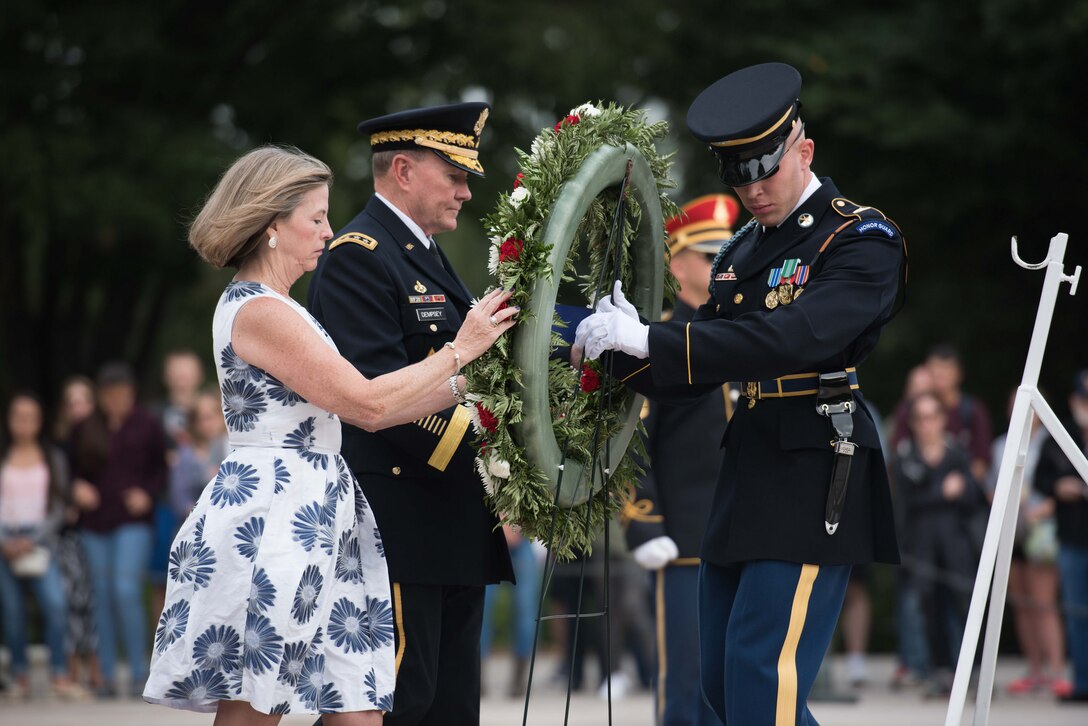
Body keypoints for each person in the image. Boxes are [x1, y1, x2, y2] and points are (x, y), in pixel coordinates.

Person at [574, 62, 907, 723]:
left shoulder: (859, 238)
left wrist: (653, 341)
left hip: (815, 467)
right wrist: (607, 354)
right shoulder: (739, 253)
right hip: (747, 470)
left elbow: (792, 337)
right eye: (737, 174)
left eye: (767, 169)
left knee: (762, 682)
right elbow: (695, 368)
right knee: (723, 689)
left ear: (803, 151)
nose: (752, 190)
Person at [141, 145, 515, 723]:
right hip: (275, 516)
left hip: (320, 511)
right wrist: (461, 350)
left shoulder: (285, 307)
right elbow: (364, 401)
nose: (328, 230)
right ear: (271, 226)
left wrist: (493, 389)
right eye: (315, 218)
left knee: (359, 705)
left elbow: (382, 407)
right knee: (255, 706)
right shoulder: (259, 310)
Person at [307, 103, 515, 725]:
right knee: (392, 707)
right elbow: (373, 392)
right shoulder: (359, 255)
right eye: (453, 174)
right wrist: (490, 445)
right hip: (399, 528)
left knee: (449, 710)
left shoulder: (421, 252)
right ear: (403, 169)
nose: (465, 190)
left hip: (450, 522)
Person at [621, 193, 737, 725]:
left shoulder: (731, 334)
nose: (723, 267)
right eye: (712, 257)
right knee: (687, 688)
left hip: (737, 534)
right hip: (684, 541)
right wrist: (644, 522)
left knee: (732, 682)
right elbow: (631, 444)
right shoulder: (659, 339)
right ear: (676, 263)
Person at [69, 362, 167, 698]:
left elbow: (161, 469)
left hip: (133, 521)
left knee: (125, 590)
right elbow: (68, 469)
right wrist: (77, 488)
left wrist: (147, 493)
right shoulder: (84, 427)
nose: (117, 402)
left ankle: (140, 672)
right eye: (111, 396)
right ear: (101, 396)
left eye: (123, 396)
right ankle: (108, 676)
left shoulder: (148, 424)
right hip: (95, 522)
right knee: (102, 595)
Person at [890, 391, 987, 697]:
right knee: (927, 607)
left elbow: (973, 498)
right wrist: (943, 493)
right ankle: (939, 672)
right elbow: (906, 503)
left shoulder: (957, 453)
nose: (926, 424)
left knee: (964, 606)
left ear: (943, 420)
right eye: (919, 418)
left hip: (956, 546)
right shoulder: (905, 457)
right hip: (921, 549)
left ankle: (972, 672)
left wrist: (952, 492)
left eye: (932, 416)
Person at [0, 392, 89, 700]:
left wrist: (32, 539)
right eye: (18, 417)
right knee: (12, 611)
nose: (23, 424)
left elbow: (59, 506)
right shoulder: (3, 456)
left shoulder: (52, 457)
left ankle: (59, 672)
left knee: (55, 604)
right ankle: (19, 675)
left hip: (40, 542)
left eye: (30, 417)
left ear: (39, 422)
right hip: (5, 542)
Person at [987, 391, 1070, 697]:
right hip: (1012, 528)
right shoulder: (999, 445)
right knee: (1021, 602)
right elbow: (992, 485)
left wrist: (1043, 507)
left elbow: (1056, 484)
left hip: (1040, 529)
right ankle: (1035, 669)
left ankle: (1057, 669)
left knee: (1044, 602)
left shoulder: (1052, 441)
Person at [1034, 369, 1088, 703]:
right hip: (1071, 537)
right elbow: (1040, 478)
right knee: (1075, 612)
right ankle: (1082, 682)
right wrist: (1059, 487)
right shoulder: (1060, 434)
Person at [52, 375, 103, 692]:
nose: (78, 407)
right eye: (71, 401)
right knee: (73, 597)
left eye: (83, 399)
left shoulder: (102, 438)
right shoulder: (59, 443)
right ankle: (73, 666)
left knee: (93, 598)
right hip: (67, 531)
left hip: (97, 527)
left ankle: (96, 666)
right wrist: (71, 492)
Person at [891, 345, 992, 483]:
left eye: (946, 369)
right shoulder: (910, 409)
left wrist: (961, 485)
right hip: (917, 491)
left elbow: (981, 462)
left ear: (959, 373)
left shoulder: (972, 412)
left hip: (959, 496)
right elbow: (898, 455)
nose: (940, 375)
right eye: (935, 369)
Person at [167, 389, 228, 519]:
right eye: (200, 419)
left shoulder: (232, 447)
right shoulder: (186, 453)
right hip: (196, 520)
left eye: (210, 417)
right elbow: (180, 496)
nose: (206, 425)